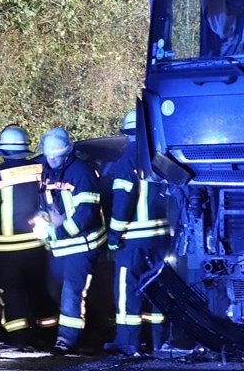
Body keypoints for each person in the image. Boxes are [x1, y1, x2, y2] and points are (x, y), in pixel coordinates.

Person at [0, 125, 57, 348]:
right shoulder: (40, 170)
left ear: (3, 151)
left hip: (6, 250)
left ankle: (21, 339)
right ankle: (48, 335)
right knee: (40, 290)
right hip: (38, 245)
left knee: (12, 294)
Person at [104, 109, 171, 356]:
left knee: (127, 292)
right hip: (161, 239)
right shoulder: (159, 155)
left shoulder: (128, 160)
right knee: (157, 290)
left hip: (132, 240)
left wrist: (113, 236)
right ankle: (158, 342)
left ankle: (128, 342)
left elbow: (123, 200)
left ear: (127, 134)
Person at [36, 127, 106, 355]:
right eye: (49, 155)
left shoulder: (81, 173)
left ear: (67, 153)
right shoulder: (47, 171)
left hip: (82, 245)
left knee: (72, 292)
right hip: (60, 246)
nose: (52, 159)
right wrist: (43, 219)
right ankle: (71, 334)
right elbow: (48, 204)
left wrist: (58, 231)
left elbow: (85, 214)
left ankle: (67, 341)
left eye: (56, 155)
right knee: (56, 290)